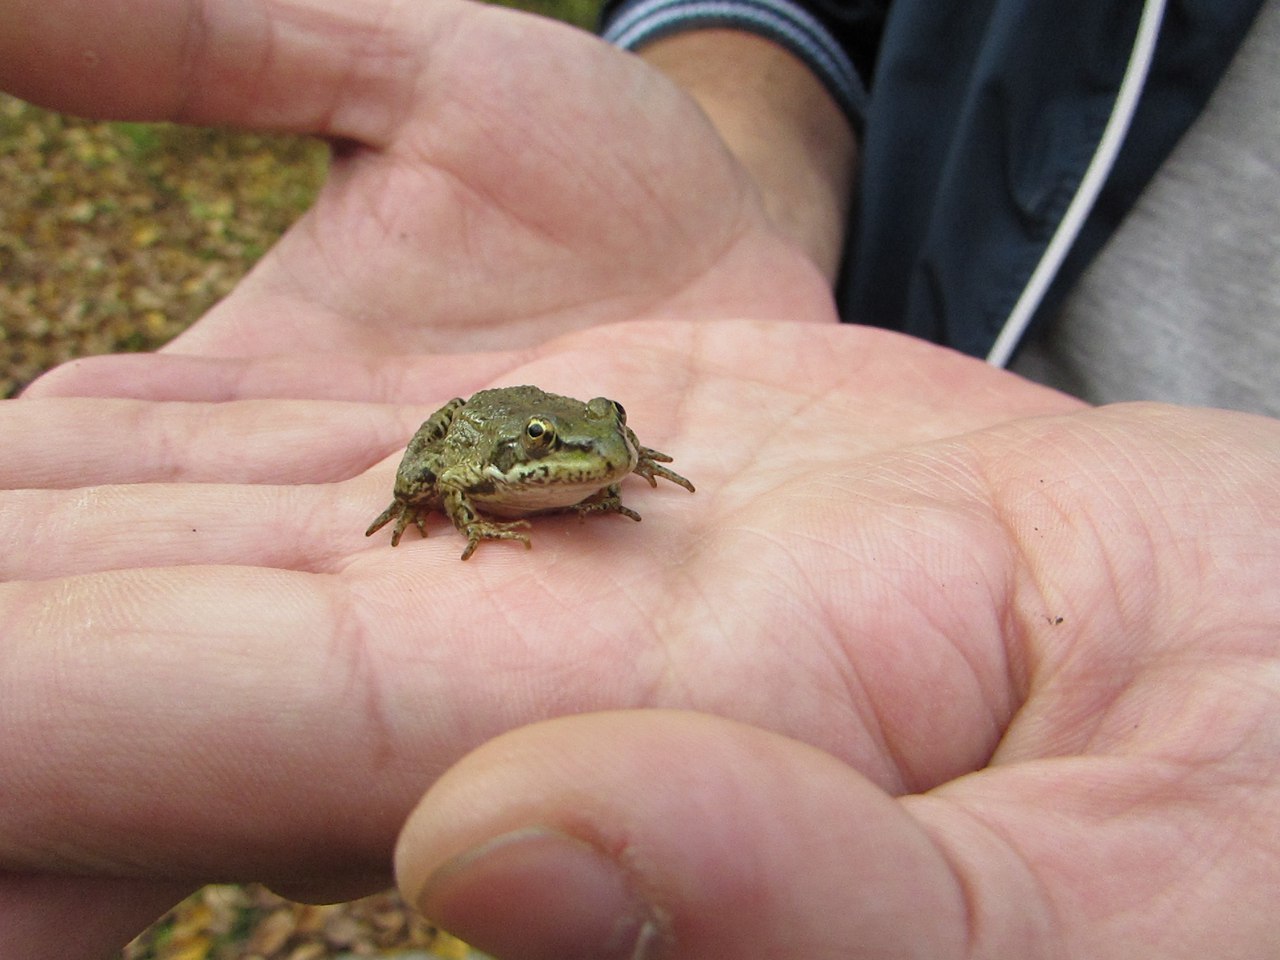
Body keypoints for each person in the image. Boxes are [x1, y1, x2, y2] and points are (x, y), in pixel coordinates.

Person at [1, 2, 1277, 960]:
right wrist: (744, 171)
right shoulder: (493, 463)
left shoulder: (594, 457)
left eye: (604, 447)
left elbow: (597, 445)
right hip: (821, 341)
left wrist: (610, 454)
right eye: (578, 454)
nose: (597, 465)